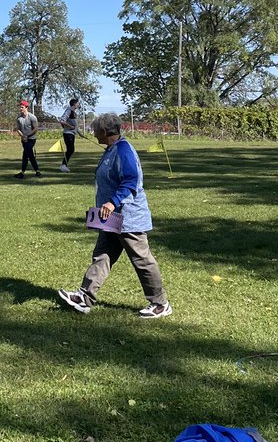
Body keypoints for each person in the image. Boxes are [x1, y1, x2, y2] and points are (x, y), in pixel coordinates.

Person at [58, 112, 172, 319]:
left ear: (105, 131)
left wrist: (112, 202)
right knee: (102, 255)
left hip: (128, 217)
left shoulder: (124, 150)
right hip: (110, 217)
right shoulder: (112, 149)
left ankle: (160, 304)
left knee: (142, 259)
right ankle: (85, 298)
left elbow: (131, 180)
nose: (93, 133)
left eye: (95, 130)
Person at [14, 99, 40, 178]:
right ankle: (37, 171)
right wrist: (22, 136)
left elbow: (35, 128)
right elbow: (18, 129)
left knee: (25, 154)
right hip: (24, 139)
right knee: (30, 155)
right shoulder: (19, 118)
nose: (20, 109)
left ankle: (22, 173)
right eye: (20, 107)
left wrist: (27, 136)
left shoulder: (32, 117)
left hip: (31, 139)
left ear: (26, 107)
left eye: (22, 107)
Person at [58, 96, 80, 173]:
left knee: (71, 149)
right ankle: (63, 165)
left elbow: (75, 125)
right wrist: (70, 127)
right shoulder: (69, 111)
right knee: (70, 149)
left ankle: (64, 165)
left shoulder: (74, 113)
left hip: (72, 134)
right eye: (77, 103)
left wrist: (79, 133)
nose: (78, 105)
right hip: (68, 134)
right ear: (74, 104)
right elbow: (62, 120)